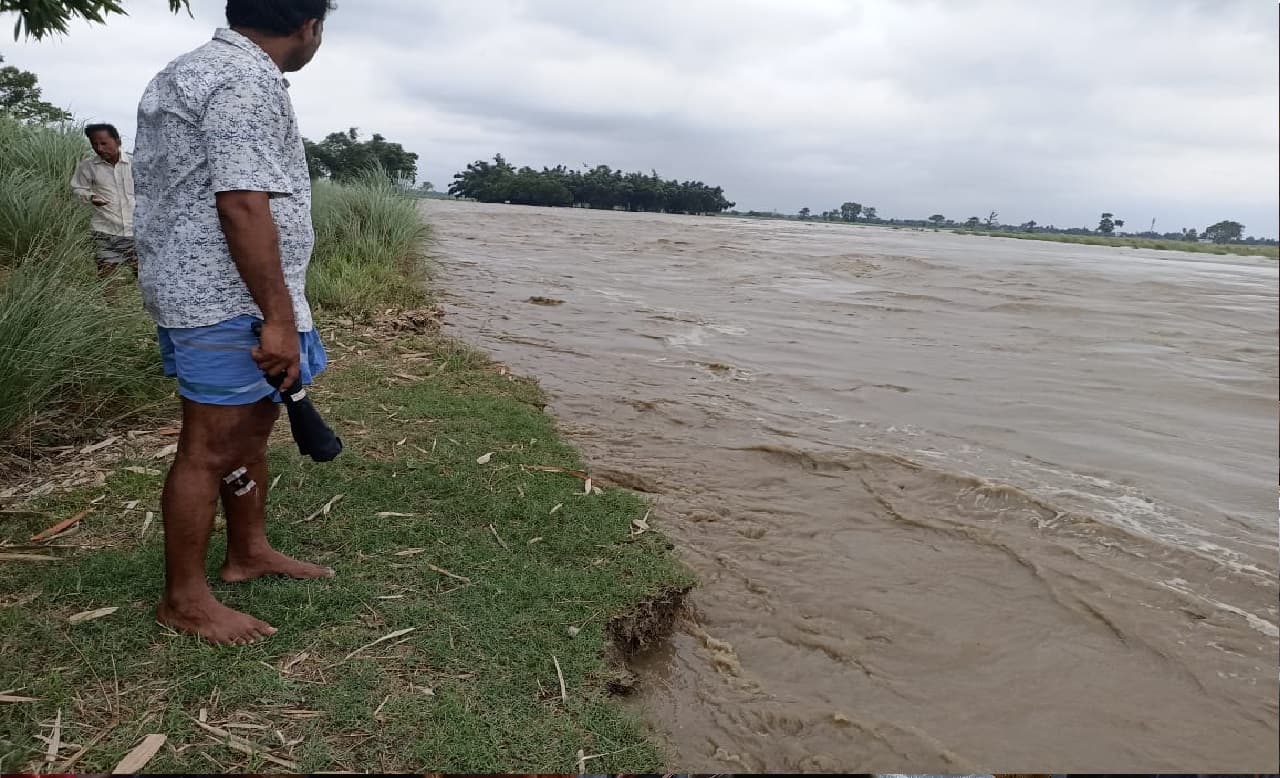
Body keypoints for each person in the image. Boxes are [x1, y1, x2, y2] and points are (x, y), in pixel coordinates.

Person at [133, 0, 337, 645]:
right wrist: (277, 318)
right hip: (225, 300)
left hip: (218, 294)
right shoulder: (246, 82)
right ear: (309, 27)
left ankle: (248, 552)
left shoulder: (189, 70)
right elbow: (243, 206)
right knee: (209, 448)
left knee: (249, 434)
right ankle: (184, 599)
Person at [69, 123, 137, 277]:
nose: (99, 148)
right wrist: (91, 197)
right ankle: (111, 303)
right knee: (106, 279)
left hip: (136, 232)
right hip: (105, 231)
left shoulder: (136, 164)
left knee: (144, 279)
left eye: (104, 143)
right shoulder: (87, 166)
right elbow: (78, 189)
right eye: (94, 144)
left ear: (118, 141)